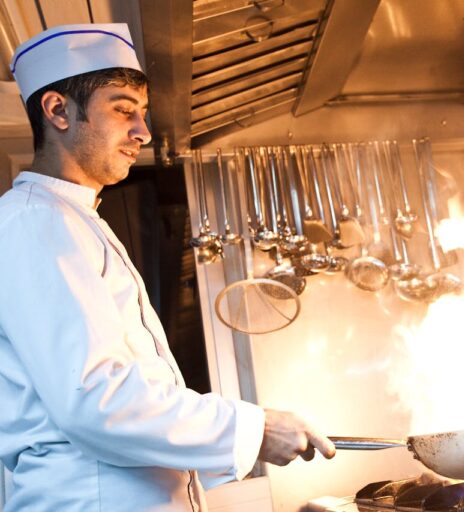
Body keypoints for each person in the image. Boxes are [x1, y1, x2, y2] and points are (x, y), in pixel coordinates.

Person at [0, 23, 335, 511]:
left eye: (142, 113)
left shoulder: (74, 221)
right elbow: (97, 400)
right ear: (58, 111)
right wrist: (253, 428)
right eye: (123, 110)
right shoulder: (35, 223)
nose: (144, 132)